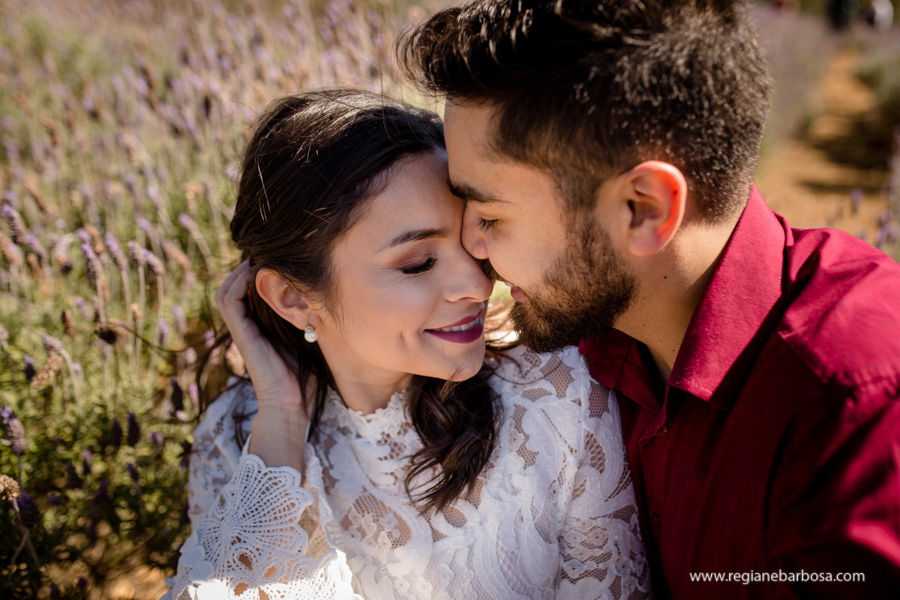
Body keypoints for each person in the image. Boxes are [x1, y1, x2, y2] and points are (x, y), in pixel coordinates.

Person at [399, 0, 900, 598]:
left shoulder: (856, 409)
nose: (472, 245)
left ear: (645, 209)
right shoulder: (593, 336)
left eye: (489, 214)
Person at [163, 90, 651, 599]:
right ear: (293, 298)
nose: (478, 286)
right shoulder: (235, 437)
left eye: (470, 241)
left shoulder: (559, 393)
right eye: (418, 263)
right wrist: (282, 420)